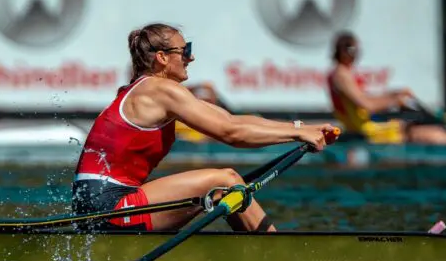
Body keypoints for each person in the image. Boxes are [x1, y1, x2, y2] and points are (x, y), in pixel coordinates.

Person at [72, 23, 337, 233]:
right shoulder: (159, 90)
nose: (192, 57)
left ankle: (257, 246)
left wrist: (301, 127)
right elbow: (230, 134)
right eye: (185, 50)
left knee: (229, 184)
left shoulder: (150, 90)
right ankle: (275, 253)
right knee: (227, 181)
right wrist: (296, 133)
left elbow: (234, 121)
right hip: (109, 207)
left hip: (97, 206)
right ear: (162, 58)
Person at [327, 31, 446, 145]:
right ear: (344, 51)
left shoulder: (343, 73)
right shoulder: (342, 75)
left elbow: (366, 99)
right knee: (434, 134)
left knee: (433, 131)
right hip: (369, 132)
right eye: (354, 50)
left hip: (369, 128)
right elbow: (367, 105)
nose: (357, 54)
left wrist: (396, 94)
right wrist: (395, 100)